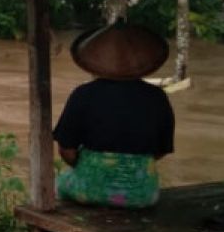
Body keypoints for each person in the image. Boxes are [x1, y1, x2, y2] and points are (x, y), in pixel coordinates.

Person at [54, 21, 175, 210]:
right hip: (142, 195)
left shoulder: (83, 94)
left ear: (94, 61)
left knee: (61, 181)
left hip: (89, 191)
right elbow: (162, 149)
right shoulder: (157, 96)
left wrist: (92, 166)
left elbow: (66, 149)